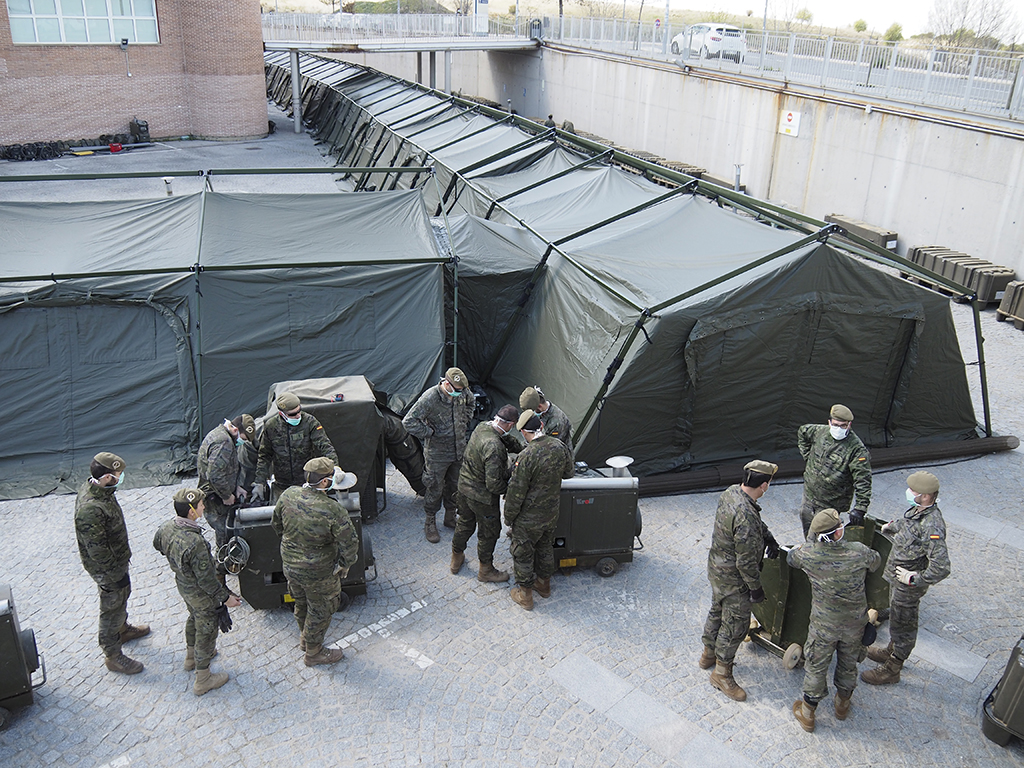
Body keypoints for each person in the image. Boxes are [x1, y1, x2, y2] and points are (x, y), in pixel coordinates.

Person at [787, 508, 881, 732]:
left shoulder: (809, 554)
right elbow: (876, 562)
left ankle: (808, 713)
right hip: (854, 623)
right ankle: (842, 705)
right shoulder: (858, 551)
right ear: (838, 533)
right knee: (849, 664)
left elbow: (791, 558)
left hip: (823, 625)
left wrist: (810, 542)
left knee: (816, 666)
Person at [700, 459, 780, 702]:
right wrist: (755, 589)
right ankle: (721, 673)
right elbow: (746, 562)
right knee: (735, 625)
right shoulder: (745, 516)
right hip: (735, 581)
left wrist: (769, 537)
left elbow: (753, 520)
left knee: (717, 610)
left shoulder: (731, 493)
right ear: (764, 486)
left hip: (717, 570)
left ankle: (708, 654)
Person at [861, 470, 950, 686]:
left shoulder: (933, 525)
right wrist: (891, 527)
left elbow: (942, 567)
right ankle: (890, 651)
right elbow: (907, 523)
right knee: (897, 621)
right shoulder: (917, 510)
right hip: (897, 579)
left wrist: (914, 579)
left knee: (904, 626)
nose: (909, 493)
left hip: (908, 587)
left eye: (914, 491)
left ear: (927, 496)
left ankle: (892, 669)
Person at [153, 488, 241, 696]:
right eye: (201, 505)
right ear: (192, 511)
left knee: (193, 618)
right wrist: (226, 598)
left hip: (184, 586)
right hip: (202, 594)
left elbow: (158, 545)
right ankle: (203, 679)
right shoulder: (196, 543)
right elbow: (208, 581)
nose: (204, 507)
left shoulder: (166, 528)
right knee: (207, 631)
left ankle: (190, 658)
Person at [272, 457, 360, 667]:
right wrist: (345, 564)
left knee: (301, 602)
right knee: (321, 609)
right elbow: (350, 543)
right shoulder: (332, 509)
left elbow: (276, 524)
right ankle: (314, 652)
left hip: (290, 566)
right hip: (319, 572)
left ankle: (305, 638)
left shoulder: (288, 495)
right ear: (324, 482)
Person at [74, 451, 150, 675]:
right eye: (118, 475)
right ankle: (112, 655)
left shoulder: (101, 491)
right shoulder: (91, 508)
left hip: (117, 560)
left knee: (122, 596)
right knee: (111, 607)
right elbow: (97, 550)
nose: (121, 478)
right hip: (107, 569)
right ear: (107, 477)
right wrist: (115, 574)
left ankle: (123, 630)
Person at [503, 410, 575, 611]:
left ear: (525, 432)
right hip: (551, 512)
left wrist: (508, 517)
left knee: (523, 552)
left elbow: (516, 492)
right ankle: (544, 585)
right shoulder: (559, 447)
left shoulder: (526, 456)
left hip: (528, 517)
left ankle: (525, 595)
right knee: (544, 547)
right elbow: (569, 473)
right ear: (541, 427)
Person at [402, 367, 476, 543]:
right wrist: (429, 432)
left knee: (455, 485)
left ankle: (450, 517)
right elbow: (408, 422)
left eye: (462, 390)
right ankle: (430, 522)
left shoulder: (462, 391)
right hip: (437, 454)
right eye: (457, 390)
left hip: (459, 450)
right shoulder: (430, 398)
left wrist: (465, 419)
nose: (461, 393)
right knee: (434, 487)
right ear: (447, 384)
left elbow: (471, 402)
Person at [451, 404, 521, 583]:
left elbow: (504, 437)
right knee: (489, 533)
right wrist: (512, 482)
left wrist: (518, 447)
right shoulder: (494, 447)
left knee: (464, 524)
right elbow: (494, 485)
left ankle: (456, 558)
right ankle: (486, 570)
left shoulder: (482, 426)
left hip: (463, 487)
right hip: (482, 498)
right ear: (511, 425)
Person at [197, 414, 256, 589]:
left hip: (217, 496)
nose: (242, 443)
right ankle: (220, 583)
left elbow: (226, 469)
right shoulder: (224, 443)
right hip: (215, 501)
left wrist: (236, 487)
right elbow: (214, 476)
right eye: (243, 439)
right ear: (236, 430)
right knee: (224, 540)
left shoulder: (221, 435)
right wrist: (226, 496)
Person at [797, 404, 872, 536]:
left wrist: (860, 508)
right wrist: (808, 458)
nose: (838, 428)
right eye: (835, 424)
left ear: (849, 425)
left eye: (843, 425)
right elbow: (803, 432)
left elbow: (863, 480)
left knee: (819, 540)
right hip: (809, 498)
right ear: (829, 422)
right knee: (807, 532)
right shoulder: (819, 432)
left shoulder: (856, 450)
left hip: (829, 505)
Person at [254, 392, 337, 504]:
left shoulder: (309, 422)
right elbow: (264, 455)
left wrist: (335, 468)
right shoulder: (271, 426)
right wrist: (260, 481)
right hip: (282, 484)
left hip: (307, 482)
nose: (298, 416)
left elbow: (325, 446)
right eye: (293, 414)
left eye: (299, 411)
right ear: (281, 414)